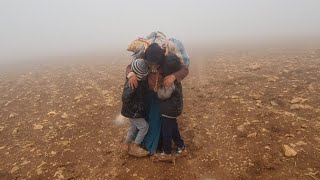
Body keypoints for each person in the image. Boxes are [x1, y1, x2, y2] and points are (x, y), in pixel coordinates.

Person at [125, 43, 189, 155]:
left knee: (158, 121)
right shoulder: (143, 58)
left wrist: (173, 76)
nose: (153, 65)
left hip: (162, 97)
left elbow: (184, 69)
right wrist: (130, 74)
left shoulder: (168, 60)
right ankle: (138, 143)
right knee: (145, 118)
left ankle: (155, 146)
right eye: (151, 63)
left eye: (156, 63)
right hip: (147, 95)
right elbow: (130, 66)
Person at [121, 59, 150, 157]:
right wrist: (136, 110)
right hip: (133, 112)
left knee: (133, 128)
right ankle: (135, 146)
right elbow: (126, 98)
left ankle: (126, 144)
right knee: (144, 127)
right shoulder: (132, 84)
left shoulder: (134, 80)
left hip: (130, 112)